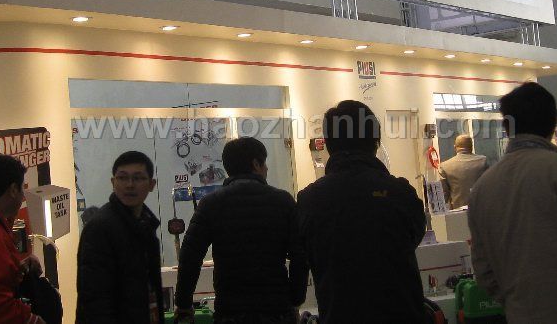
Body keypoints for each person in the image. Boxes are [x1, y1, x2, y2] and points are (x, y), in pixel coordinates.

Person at [297, 100, 426, 324]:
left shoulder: (310, 201)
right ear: (375, 142)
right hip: (402, 314)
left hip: (339, 315)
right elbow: (414, 236)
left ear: (328, 144)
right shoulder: (400, 194)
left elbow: (306, 253)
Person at [468, 82, 557, 323]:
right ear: (554, 121)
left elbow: (484, 273)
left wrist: (519, 303)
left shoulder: (482, 188)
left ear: (506, 126)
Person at [174, 137, 308, 324]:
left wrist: (183, 303)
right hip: (276, 310)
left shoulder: (211, 204)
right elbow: (300, 255)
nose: (267, 169)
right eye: (264, 163)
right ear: (256, 164)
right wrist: (295, 299)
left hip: (230, 311)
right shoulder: (283, 201)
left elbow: (190, 257)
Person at [76, 151, 164, 324]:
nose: (129, 185)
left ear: (151, 184)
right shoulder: (100, 228)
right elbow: (95, 300)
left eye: (138, 178)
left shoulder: (146, 224)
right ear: (113, 182)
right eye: (122, 178)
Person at [0, 155, 46, 324]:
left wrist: (16, 267)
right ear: (13, 190)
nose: (23, 197)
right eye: (22, 189)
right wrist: (32, 320)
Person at [438, 135, 488, 209]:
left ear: (455, 147)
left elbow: (443, 195)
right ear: (471, 146)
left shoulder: (445, 166)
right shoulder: (483, 161)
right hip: (482, 209)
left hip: (458, 211)